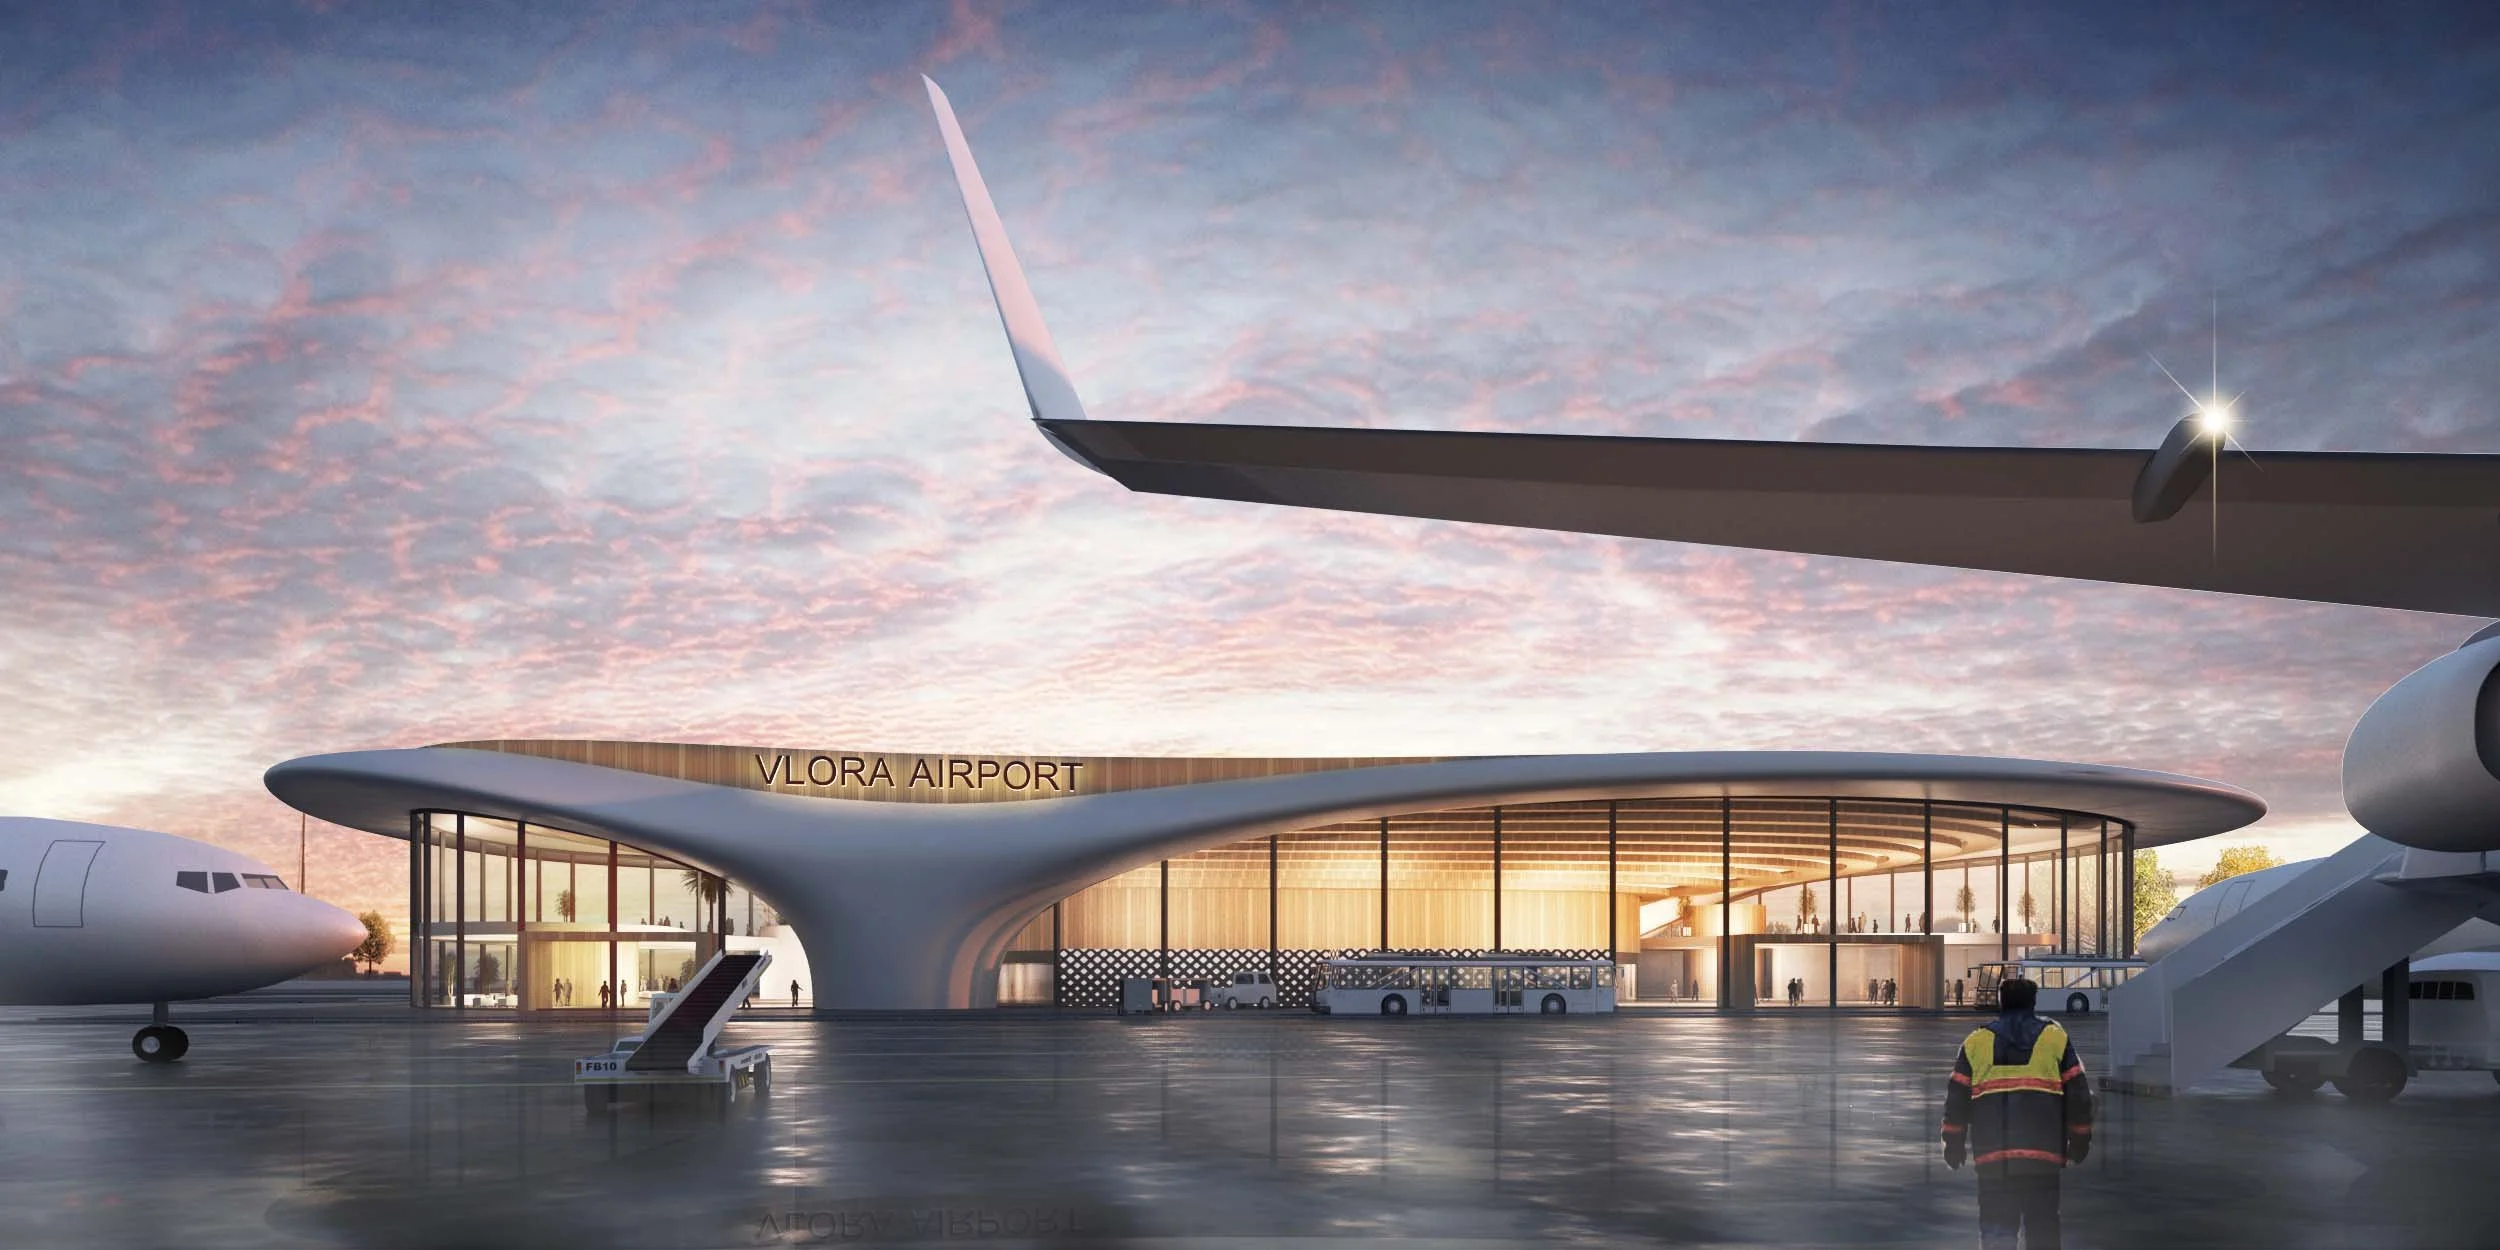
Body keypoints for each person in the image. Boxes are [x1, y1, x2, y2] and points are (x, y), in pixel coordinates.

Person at [1941, 976, 2093, 1250]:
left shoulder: (1976, 1042)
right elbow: (2079, 1096)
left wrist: (1953, 1146)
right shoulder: (2054, 1037)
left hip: (1993, 1158)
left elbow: (1956, 1100)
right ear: (2034, 1002)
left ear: (2002, 1001)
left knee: (1997, 1230)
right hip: (2043, 1157)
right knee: (2043, 1229)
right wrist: (2079, 1142)